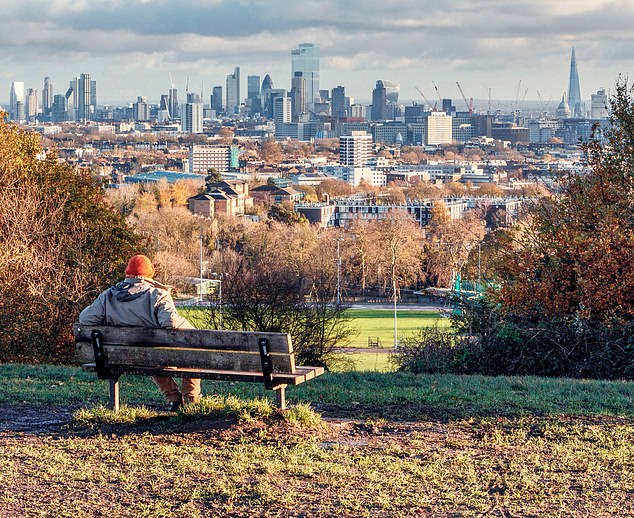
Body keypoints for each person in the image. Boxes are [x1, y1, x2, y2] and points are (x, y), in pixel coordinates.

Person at [78, 254, 202, 411]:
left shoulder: (108, 296)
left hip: (120, 357)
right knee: (191, 355)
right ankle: (191, 400)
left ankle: (173, 399)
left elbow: (85, 319)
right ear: (150, 273)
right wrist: (192, 330)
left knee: (151, 357)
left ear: (127, 273)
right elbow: (170, 322)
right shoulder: (157, 294)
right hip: (154, 356)